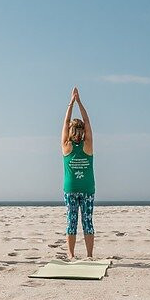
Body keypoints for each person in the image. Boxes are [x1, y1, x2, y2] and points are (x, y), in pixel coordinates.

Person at [61, 86, 95, 260]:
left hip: (83, 190)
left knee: (81, 223)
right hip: (76, 190)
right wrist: (74, 103)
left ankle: (85, 255)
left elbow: (81, 123)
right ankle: (73, 255)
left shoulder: (78, 146)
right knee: (76, 222)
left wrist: (74, 103)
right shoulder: (73, 146)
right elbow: (70, 124)